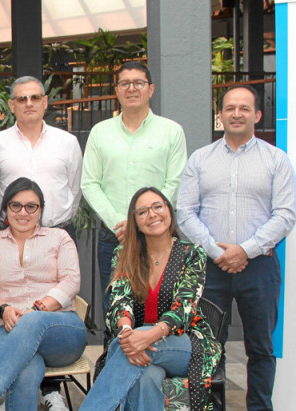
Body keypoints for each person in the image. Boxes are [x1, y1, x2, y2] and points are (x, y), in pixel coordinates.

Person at [177, 85, 296, 410]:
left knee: (260, 348)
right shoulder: (201, 159)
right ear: (220, 115)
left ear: (257, 115)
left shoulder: (276, 160)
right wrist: (219, 252)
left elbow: (285, 215)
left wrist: (245, 250)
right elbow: (184, 212)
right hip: (210, 269)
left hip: (258, 268)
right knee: (209, 345)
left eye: (244, 108)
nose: (236, 113)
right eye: (230, 108)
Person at [80, 187, 221, 411]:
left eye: (158, 207)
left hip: (187, 343)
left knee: (132, 345)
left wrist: (146, 337)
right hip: (136, 341)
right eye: (143, 212)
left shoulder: (193, 254)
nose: (152, 214)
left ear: (169, 211)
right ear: (135, 222)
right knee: (146, 377)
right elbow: (119, 301)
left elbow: (184, 308)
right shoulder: (124, 253)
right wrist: (127, 333)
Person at [0, 177, 85, 411]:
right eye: (15, 205)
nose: (23, 212)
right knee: (26, 367)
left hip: (62, 331)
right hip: (8, 331)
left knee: (33, 320)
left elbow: (71, 281)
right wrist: (3, 309)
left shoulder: (59, 238)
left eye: (31, 206)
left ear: (40, 210)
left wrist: (37, 311)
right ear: (6, 208)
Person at [80, 62, 187, 325]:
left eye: (138, 82)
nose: (132, 88)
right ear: (116, 90)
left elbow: (175, 181)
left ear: (150, 89)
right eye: (124, 83)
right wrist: (120, 222)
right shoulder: (100, 132)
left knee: (161, 308)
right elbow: (90, 183)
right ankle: (114, 362)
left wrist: (143, 220)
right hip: (113, 236)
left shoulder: (171, 131)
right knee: (116, 310)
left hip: (158, 238)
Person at [0, 76, 82, 241]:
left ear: (45, 102)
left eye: (35, 97)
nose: (29, 103)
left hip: (59, 235)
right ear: (12, 105)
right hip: (11, 235)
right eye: (21, 99)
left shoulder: (67, 142)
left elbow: (75, 189)